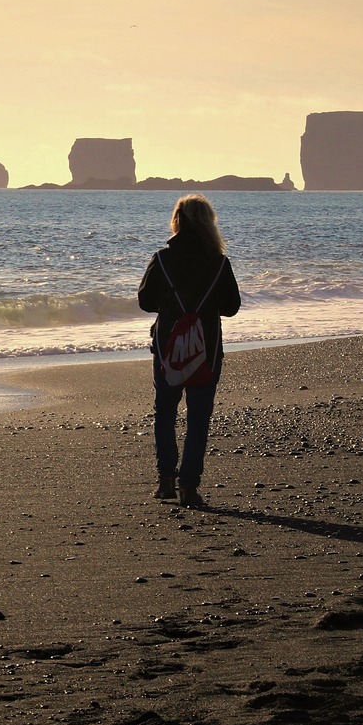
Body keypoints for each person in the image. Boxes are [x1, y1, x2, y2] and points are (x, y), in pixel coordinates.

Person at [137, 195, 241, 508]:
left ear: (177, 221)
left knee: (165, 412)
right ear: (208, 222)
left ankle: (165, 481)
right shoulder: (219, 262)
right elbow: (232, 307)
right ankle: (190, 487)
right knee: (199, 417)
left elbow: (144, 301)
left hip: (169, 346)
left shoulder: (162, 258)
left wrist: (172, 309)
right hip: (206, 349)